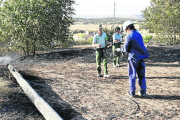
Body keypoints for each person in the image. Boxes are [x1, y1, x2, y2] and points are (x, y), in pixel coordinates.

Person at [122, 21, 149, 97]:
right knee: (141, 75)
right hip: (141, 57)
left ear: (128, 28)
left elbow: (126, 49)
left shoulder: (129, 36)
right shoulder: (139, 34)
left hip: (133, 58)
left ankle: (132, 92)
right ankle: (143, 91)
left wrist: (121, 50)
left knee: (132, 75)